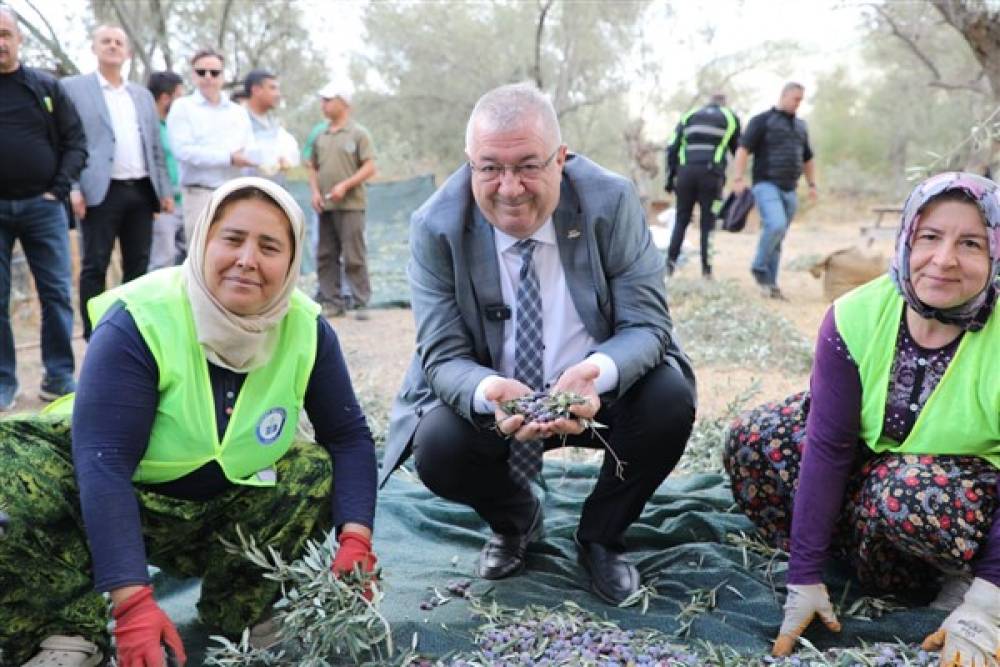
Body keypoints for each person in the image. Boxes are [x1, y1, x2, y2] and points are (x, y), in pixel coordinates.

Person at [0, 177, 379, 666]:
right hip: (102, 497)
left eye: (269, 246)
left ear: (291, 262)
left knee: (312, 470)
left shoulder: (305, 329)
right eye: (232, 239)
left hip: (214, 508)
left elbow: (348, 437)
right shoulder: (140, 319)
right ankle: (68, 629)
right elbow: (105, 464)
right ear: (202, 241)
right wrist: (132, 603)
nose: (247, 259)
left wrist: (356, 538)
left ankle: (240, 609)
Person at [382, 83, 697, 605]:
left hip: (598, 396)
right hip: (500, 402)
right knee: (436, 445)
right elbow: (441, 355)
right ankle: (516, 519)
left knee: (668, 399)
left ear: (561, 159)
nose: (509, 188)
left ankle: (600, 535)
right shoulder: (435, 227)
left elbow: (648, 324)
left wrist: (597, 373)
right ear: (470, 164)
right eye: (490, 168)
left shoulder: (609, 200)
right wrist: (488, 391)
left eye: (529, 165)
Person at [724, 172, 1000, 663]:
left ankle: (963, 580)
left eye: (971, 243)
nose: (944, 259)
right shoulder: (854, 315)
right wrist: (804, 576)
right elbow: (827, 447)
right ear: (906, 238)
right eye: (930, 237)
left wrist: (989, 601)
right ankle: (843, 560)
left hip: (962, 504)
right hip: (872, 474)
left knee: (903, 494)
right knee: (755, 438)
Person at [0, 5, 87, 409]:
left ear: (19, 40)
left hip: (44, 207)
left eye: (5, 34)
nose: (0, 42)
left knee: (56, 293)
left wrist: (58, 189)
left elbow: (76, 142)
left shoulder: (46, 88)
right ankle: (4, 381)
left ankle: (59, 375)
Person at [63, 26, 174, 341]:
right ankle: (93, 334)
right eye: (106, 42)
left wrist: (163, 190)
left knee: (138, 266)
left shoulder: (140, 95)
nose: (112, 46)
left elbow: (154, 144)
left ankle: (131, 330)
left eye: (119, 42)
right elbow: (67, 140)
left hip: (140, 189)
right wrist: (73, 188)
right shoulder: (75, 89)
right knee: (94, 264)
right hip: (100, 190)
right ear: (94, 48)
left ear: (127, 52)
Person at [731, 82, 817, 299]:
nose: (798, 104)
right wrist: (738, 178)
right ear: (784, 95)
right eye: (796, 99)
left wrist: (812, 184)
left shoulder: (800, 126)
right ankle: (759, 266)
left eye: (801, 100)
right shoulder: (762, 121)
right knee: (775, 224)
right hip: (766, 184)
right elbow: (743, 149)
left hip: (790, 189)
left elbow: (807, 158)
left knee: (778, 237)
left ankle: (770, 285)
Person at [166, 48, 255, 246]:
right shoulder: (183, 107)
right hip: (199, 194)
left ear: (223, 76)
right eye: (201, 72)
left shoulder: (238, 112)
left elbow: (249, 149)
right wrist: (228, 158)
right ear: (193, 75)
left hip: (234, 193)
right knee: (201, 255)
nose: (208, 77)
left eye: (214, 72)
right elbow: (184, 151)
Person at [308, 81, 376, 319]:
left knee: (354, 254)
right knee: (325, 254)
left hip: (351, 205)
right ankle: (332, 302)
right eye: (323, 101)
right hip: (325, 206)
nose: (323, 105)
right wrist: (315, 192)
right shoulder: (321, 135)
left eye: (328, 100)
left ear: (343, 103)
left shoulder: (358, 134)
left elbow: (369, 167)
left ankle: (360, 302)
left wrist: (345, 185)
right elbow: (312, 167)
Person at [664, 93, 741, 279]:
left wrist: (669, 177)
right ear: (723, 103)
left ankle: (669, 267)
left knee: (681, 220)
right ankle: (707, 272)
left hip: (685, 175)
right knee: (708, 223)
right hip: (711, 177)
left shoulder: (689, 115)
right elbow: (739, 149)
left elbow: (672, 146)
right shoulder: (729, 117)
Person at [146, 70, 185, 271]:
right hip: (162, 206)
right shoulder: (148, 128)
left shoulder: (178, 127)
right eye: (180, 96)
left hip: (185, 201)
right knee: (162, 261)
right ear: (164, 98)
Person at [243, 69, 299, 184]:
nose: (278, 94)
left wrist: (285, 160)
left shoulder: (274, 124)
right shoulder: (239, 121)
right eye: (272, 88)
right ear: (256, 90)